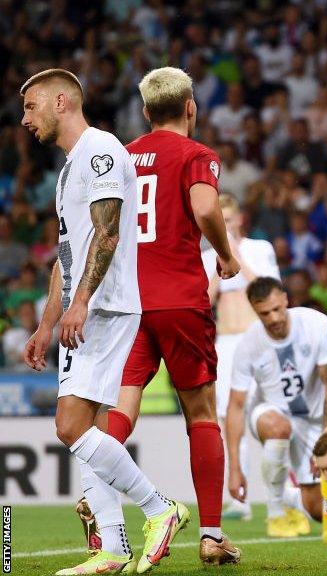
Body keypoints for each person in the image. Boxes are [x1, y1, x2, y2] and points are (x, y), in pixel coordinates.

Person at [71, 67, 244, 566]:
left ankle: (97, 491)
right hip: (180, 299)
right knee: (201, 414)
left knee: (121, 405)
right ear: (192, 107)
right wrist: (226, 255)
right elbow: (206, 206)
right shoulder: (196, 155)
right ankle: (211, 535)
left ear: (145, 113)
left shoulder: (122, 155)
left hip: (127, 302)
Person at [20, 68, 187, 574]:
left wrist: (80, 304)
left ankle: (162, 508)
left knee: (69, 427)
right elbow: (68, 253)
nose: (25, 119)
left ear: (62, 102)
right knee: (91, 429)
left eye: (31, 107)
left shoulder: (102, 151)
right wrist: (48, 322)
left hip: (106, 307)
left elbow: (107, 235)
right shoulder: (72, 167)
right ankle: (112, 547)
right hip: (85, 310)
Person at [225, 277, 327, 538]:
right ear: (255, 311)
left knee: (319, 511)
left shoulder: (316, 325)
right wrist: (235, 468)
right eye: (265, 313)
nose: (274, 318)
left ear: (286, 300)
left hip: (312, 421)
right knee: (279, 427)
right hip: (269, 413)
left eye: (278, 309)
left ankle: (288, 498)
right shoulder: (248, 345)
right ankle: (275, 512)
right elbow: (236, 406)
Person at [202, 194, 281, 521]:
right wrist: (221, 260)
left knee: (273, 416)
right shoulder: (207, 257)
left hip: (259, 340)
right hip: (226, 342)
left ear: (239, 220)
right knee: (228, 421)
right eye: (219, 220)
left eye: (229, 219)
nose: (225, 224)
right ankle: (241, 500)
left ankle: (286, 494)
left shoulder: (260, 249)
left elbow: (268, 289)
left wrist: (234, 253)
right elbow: (206, 301)